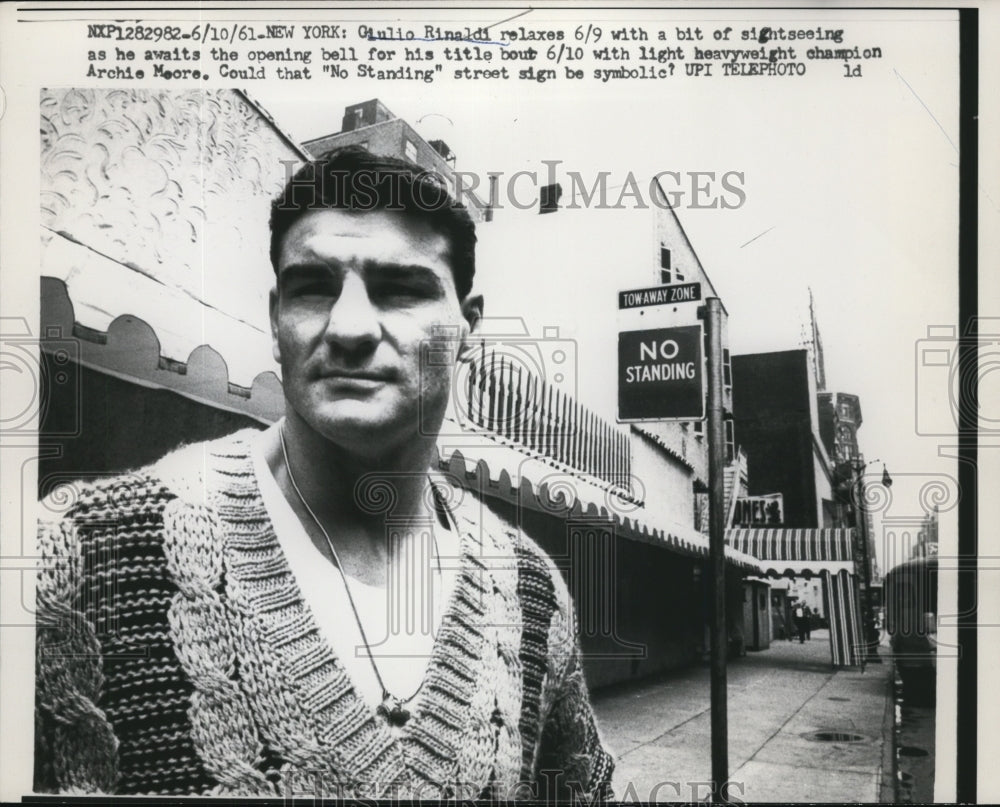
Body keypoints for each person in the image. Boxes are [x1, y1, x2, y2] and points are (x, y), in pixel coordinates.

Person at [33, 147, 615, 800]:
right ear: (277, 316)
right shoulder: (75, 555)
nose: (349, 327)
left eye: (400, 289)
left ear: (466, 326)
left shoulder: (531, 596)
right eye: (314, 288)